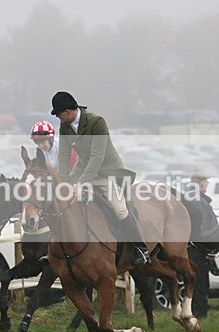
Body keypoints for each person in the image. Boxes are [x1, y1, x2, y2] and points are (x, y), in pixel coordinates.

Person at [50, 91, 150, 266]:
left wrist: (80, 183)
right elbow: (64, 155)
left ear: (67, 112)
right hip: (83, 169)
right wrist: (65, 183)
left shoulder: (97, 122)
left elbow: (97, 156)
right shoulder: (65, 126)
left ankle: (140, 248)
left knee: (120, 209)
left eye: (59, 115)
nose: (59, 119)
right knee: (60, 203)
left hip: (107, 171)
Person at [187, 173, 219, 319]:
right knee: (201, 283)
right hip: (200, 248)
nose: (206, 186)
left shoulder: (189, 199)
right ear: (202, 185)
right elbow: (206, 225)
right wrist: (211, 247)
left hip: (191, 246)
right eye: (206, 183)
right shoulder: (200, 202)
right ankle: (200, 315)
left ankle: (192, 312)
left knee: (192, 281)